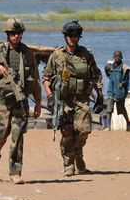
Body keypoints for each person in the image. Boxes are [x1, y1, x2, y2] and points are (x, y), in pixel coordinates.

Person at [0, 18, 41, 184]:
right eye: (13, 33)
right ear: (8, 34)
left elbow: (35, 79)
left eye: (19, 33)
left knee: (18, 136)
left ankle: (15, 171)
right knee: (0, 134)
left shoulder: (27, 53)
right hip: (1, 100)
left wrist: (38, 103)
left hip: (20, 100)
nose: (16, 36)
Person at [43, 20, 103, 177]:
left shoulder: (86, 55)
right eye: (70, 35)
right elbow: (46, 78)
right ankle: (68, 164)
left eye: (76, 35)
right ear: (65, 36)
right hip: (64, 100)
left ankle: (77, 153)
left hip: (82, 99)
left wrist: (100, 97)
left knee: (84, 130)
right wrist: (49, 96)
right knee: (67, 133)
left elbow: (96, 76)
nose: (73, 38)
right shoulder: (57, 55)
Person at [104, 50, 130, 131]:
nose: (117, 57)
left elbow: (127, 80)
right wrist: (106, 69)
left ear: (121, 57)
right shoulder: (110, 66)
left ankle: (128, 123)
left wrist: (122, 84)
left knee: (122, 109)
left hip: (119, 92)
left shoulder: (124, 67)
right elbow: (108, 75)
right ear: (113, 57)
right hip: (111, 91)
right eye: (116, 56)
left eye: (119, 56)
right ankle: (108, 126)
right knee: (109, 109)